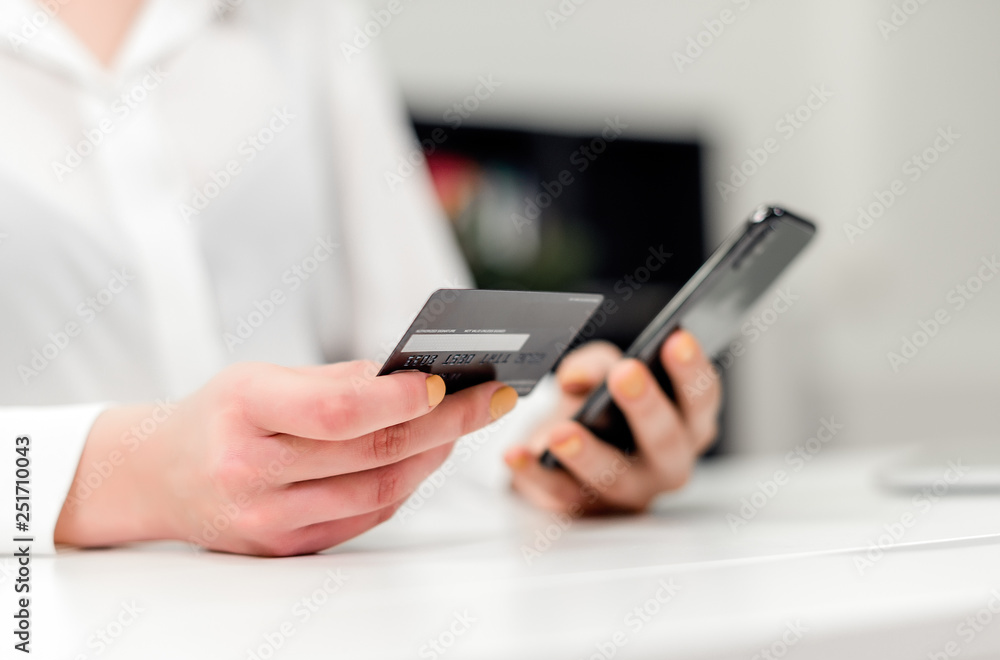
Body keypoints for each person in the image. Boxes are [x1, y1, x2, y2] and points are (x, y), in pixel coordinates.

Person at [0, 0, 721, 557]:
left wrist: (550, 444)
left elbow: (418, 353)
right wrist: (128, 473)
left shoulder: (303, 15)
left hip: (325, 606)